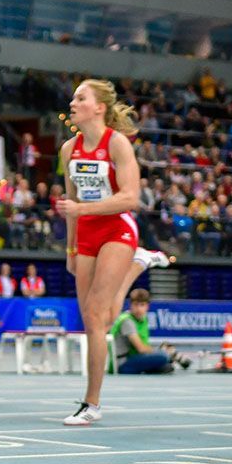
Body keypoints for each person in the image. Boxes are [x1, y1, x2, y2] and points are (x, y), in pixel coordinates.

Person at [54, 79, 141, 426]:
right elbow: (71, 202)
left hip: (117, 227)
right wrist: (71, 248)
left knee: (94, 309)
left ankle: (91, 403)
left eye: (80, 98)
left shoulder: (117, 144)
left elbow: (131, 197)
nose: (72, 103)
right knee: (94, 319)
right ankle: (129, 277)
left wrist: (82, 212)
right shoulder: (68, 149)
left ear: (99, 107)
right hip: (86, 233)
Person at [110, 289, 190, 374]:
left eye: (142, 305)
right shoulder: (127, 321)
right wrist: (161, 351)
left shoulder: (143, 320)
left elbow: (144, 346)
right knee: (163, 356)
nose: (138, 309)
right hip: (122, 364)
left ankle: (167, 359)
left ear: (147, 306)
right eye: (136, 305)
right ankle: (172, 356)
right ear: (131, 305)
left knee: (166, 367)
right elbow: (141, 349)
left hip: (133, 358)